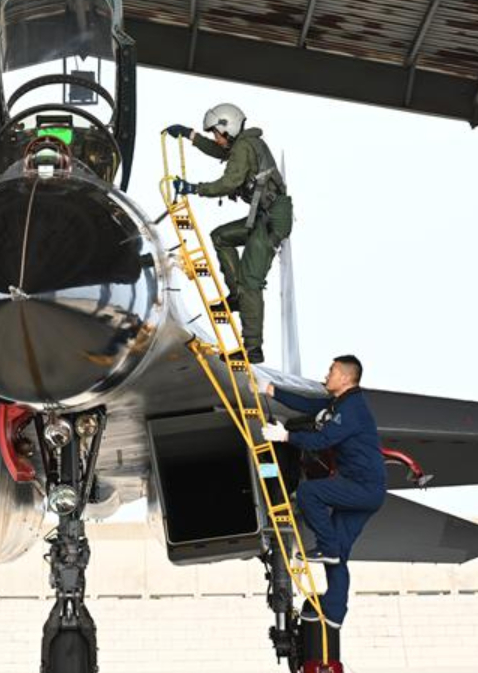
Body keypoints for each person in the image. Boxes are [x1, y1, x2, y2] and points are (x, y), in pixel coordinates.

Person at [260, 354, 386, 628]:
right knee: (338, 555)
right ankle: (334, 614)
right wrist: (272, 390)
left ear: (345, 377)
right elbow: (309, 404)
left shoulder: (352, 409)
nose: (327, 374)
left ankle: (326, 548)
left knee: (309, 494)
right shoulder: (339, 403)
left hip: (361, 486)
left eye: (332, 371)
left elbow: (323, 440)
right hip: (364, 488)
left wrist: (286, 437)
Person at [164, 103, 292, 363]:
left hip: (271, 219)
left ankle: (253, 348)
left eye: (216, 133)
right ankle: (236, 297)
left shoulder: (244, 147)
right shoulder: (241, 145)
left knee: (251, 282)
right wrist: (191, 136)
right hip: (262, 216)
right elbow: (219, 151)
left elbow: (229, 183)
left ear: (228, 128)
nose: (216, 139)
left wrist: (194, 188)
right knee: (220, 237)